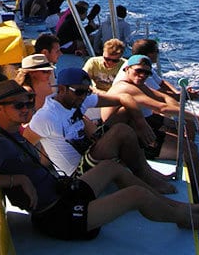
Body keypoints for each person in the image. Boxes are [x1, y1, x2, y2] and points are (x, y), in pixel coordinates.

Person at [0, 80, 199, 241]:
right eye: (19, 105)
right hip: (58, 216)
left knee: (110, 167)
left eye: (29, 103)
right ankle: (186, 219)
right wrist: (16, 179)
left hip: (63, 193)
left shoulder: (14, 134)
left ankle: (183, 207)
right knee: (136, 195)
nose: (27, 109)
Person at [23, 68, 172, 193]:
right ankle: (144, 177)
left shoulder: (78, 99)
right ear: (62, 89)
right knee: (121, 131)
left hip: (90, 152)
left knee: (126, 112)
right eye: (79, 92)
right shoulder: (46, 116)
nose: (83, 97)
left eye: (87, 92)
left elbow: (124, 98)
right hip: (78, 175)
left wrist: (141, 123)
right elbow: (25, 145)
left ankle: (146, 171)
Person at [103, 55, 199, 201]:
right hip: (124, 143)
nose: (143, 75)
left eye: (147, 73)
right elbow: (161, 107)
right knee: (189, 150)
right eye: (139, 70)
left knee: (189, 144)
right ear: (127, 69)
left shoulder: (139, 85)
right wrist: (196, 117)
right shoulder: (125, 87)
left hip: (136, 134)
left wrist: (184, 116)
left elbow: (164, 98)